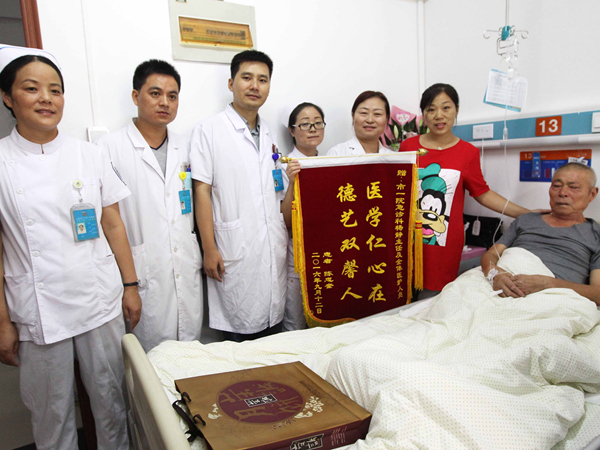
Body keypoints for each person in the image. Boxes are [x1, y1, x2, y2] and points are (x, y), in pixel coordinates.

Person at [0, 44, 141, 449]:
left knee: (112, 403)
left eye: (55, 90)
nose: (46, 98)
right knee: (51, 415)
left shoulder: (89, 155)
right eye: (32, 88)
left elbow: (112, 223)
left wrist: (131, 286)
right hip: (38, 310)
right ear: (8, 97)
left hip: (98, 298)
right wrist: (3, 321)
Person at [98, 59, 203, 352]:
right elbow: (109, 220)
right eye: (155, 93)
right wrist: (129, 285)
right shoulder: (109, 148)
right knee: (148, 359)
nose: (164, 102)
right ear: (136, 96)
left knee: (191, 355)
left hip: (185, 265)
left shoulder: (187, 145)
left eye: (172, 95)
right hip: (142, 271)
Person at [190, 50, 288, 342]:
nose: (255, 86)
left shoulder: (269, 133)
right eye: (247, 77)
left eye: (263, 80)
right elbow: (201, 191)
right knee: (239, 338)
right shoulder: (209, 130)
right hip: (232, 248)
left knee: (273, 336)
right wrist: (209, 248)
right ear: (231, 83)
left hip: (271, 246)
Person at [400, 83, 532, 293]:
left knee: (434, 297)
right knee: (403, 294)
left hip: (444, 242)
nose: (439, 115)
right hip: (408, 237)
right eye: (431, 109)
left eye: (446, 108)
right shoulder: (408, 147)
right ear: (423, 114)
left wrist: (527, 214)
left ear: (456, 110)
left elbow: (483, 193)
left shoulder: (468, 152)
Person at [482, 163, 600, 304]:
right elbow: (491, 255)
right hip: (500, 285)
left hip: (554, 299)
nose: (563, 193)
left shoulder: (595, 234)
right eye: (557, 185)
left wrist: (549, 284)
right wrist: (495, 274)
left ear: (592, 194)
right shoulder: (526, 220)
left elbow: (597, 293)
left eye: (573, 187)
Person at [280, 102, 326, 331]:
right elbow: (286, 221)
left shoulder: (330, 163)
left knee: (325, 319)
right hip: (296, 255)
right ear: (292, 130)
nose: (313, 129)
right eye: (305, 124)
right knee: (295, 325)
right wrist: (292, 182)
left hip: (326, 255)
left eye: (318, 123)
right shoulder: (283, 166)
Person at [327, 91, 395, 156]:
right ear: (353, 116)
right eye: (364, 113)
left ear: (386, 118)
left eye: (377, 114)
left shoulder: (393, 158)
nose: (370, 120)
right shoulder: (336, 153)